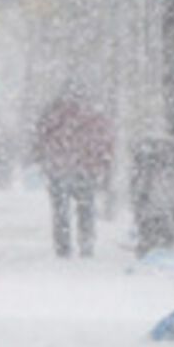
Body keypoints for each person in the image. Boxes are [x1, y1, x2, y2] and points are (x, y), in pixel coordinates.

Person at [32, 88, 113, 258]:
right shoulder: (92, 116)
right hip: (84, 169)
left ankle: (63, 246)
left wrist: (44, 159)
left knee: (61, 212)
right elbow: (103, 142)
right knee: (86, 209)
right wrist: (101, 164)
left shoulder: (53, 115)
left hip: (59, 168)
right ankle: (86, 244)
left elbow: (40, 137)